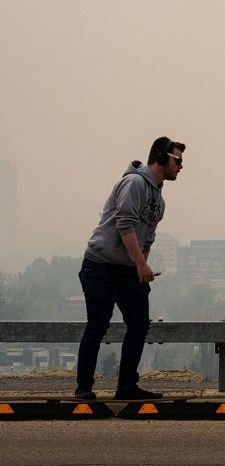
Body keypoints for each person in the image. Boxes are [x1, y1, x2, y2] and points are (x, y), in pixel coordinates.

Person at [75, 136, 185, 400]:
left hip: (128, 269)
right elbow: (125, 225)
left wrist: (140, 269)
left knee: (139, 324)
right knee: (98, 325)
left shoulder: (159, 200)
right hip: (100, 265)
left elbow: (146, 237)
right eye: (177, 160)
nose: (181, 166)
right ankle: (83, 388)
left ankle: (126, 386)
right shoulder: (134, 183)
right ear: (161, 157)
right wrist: (141, 264)